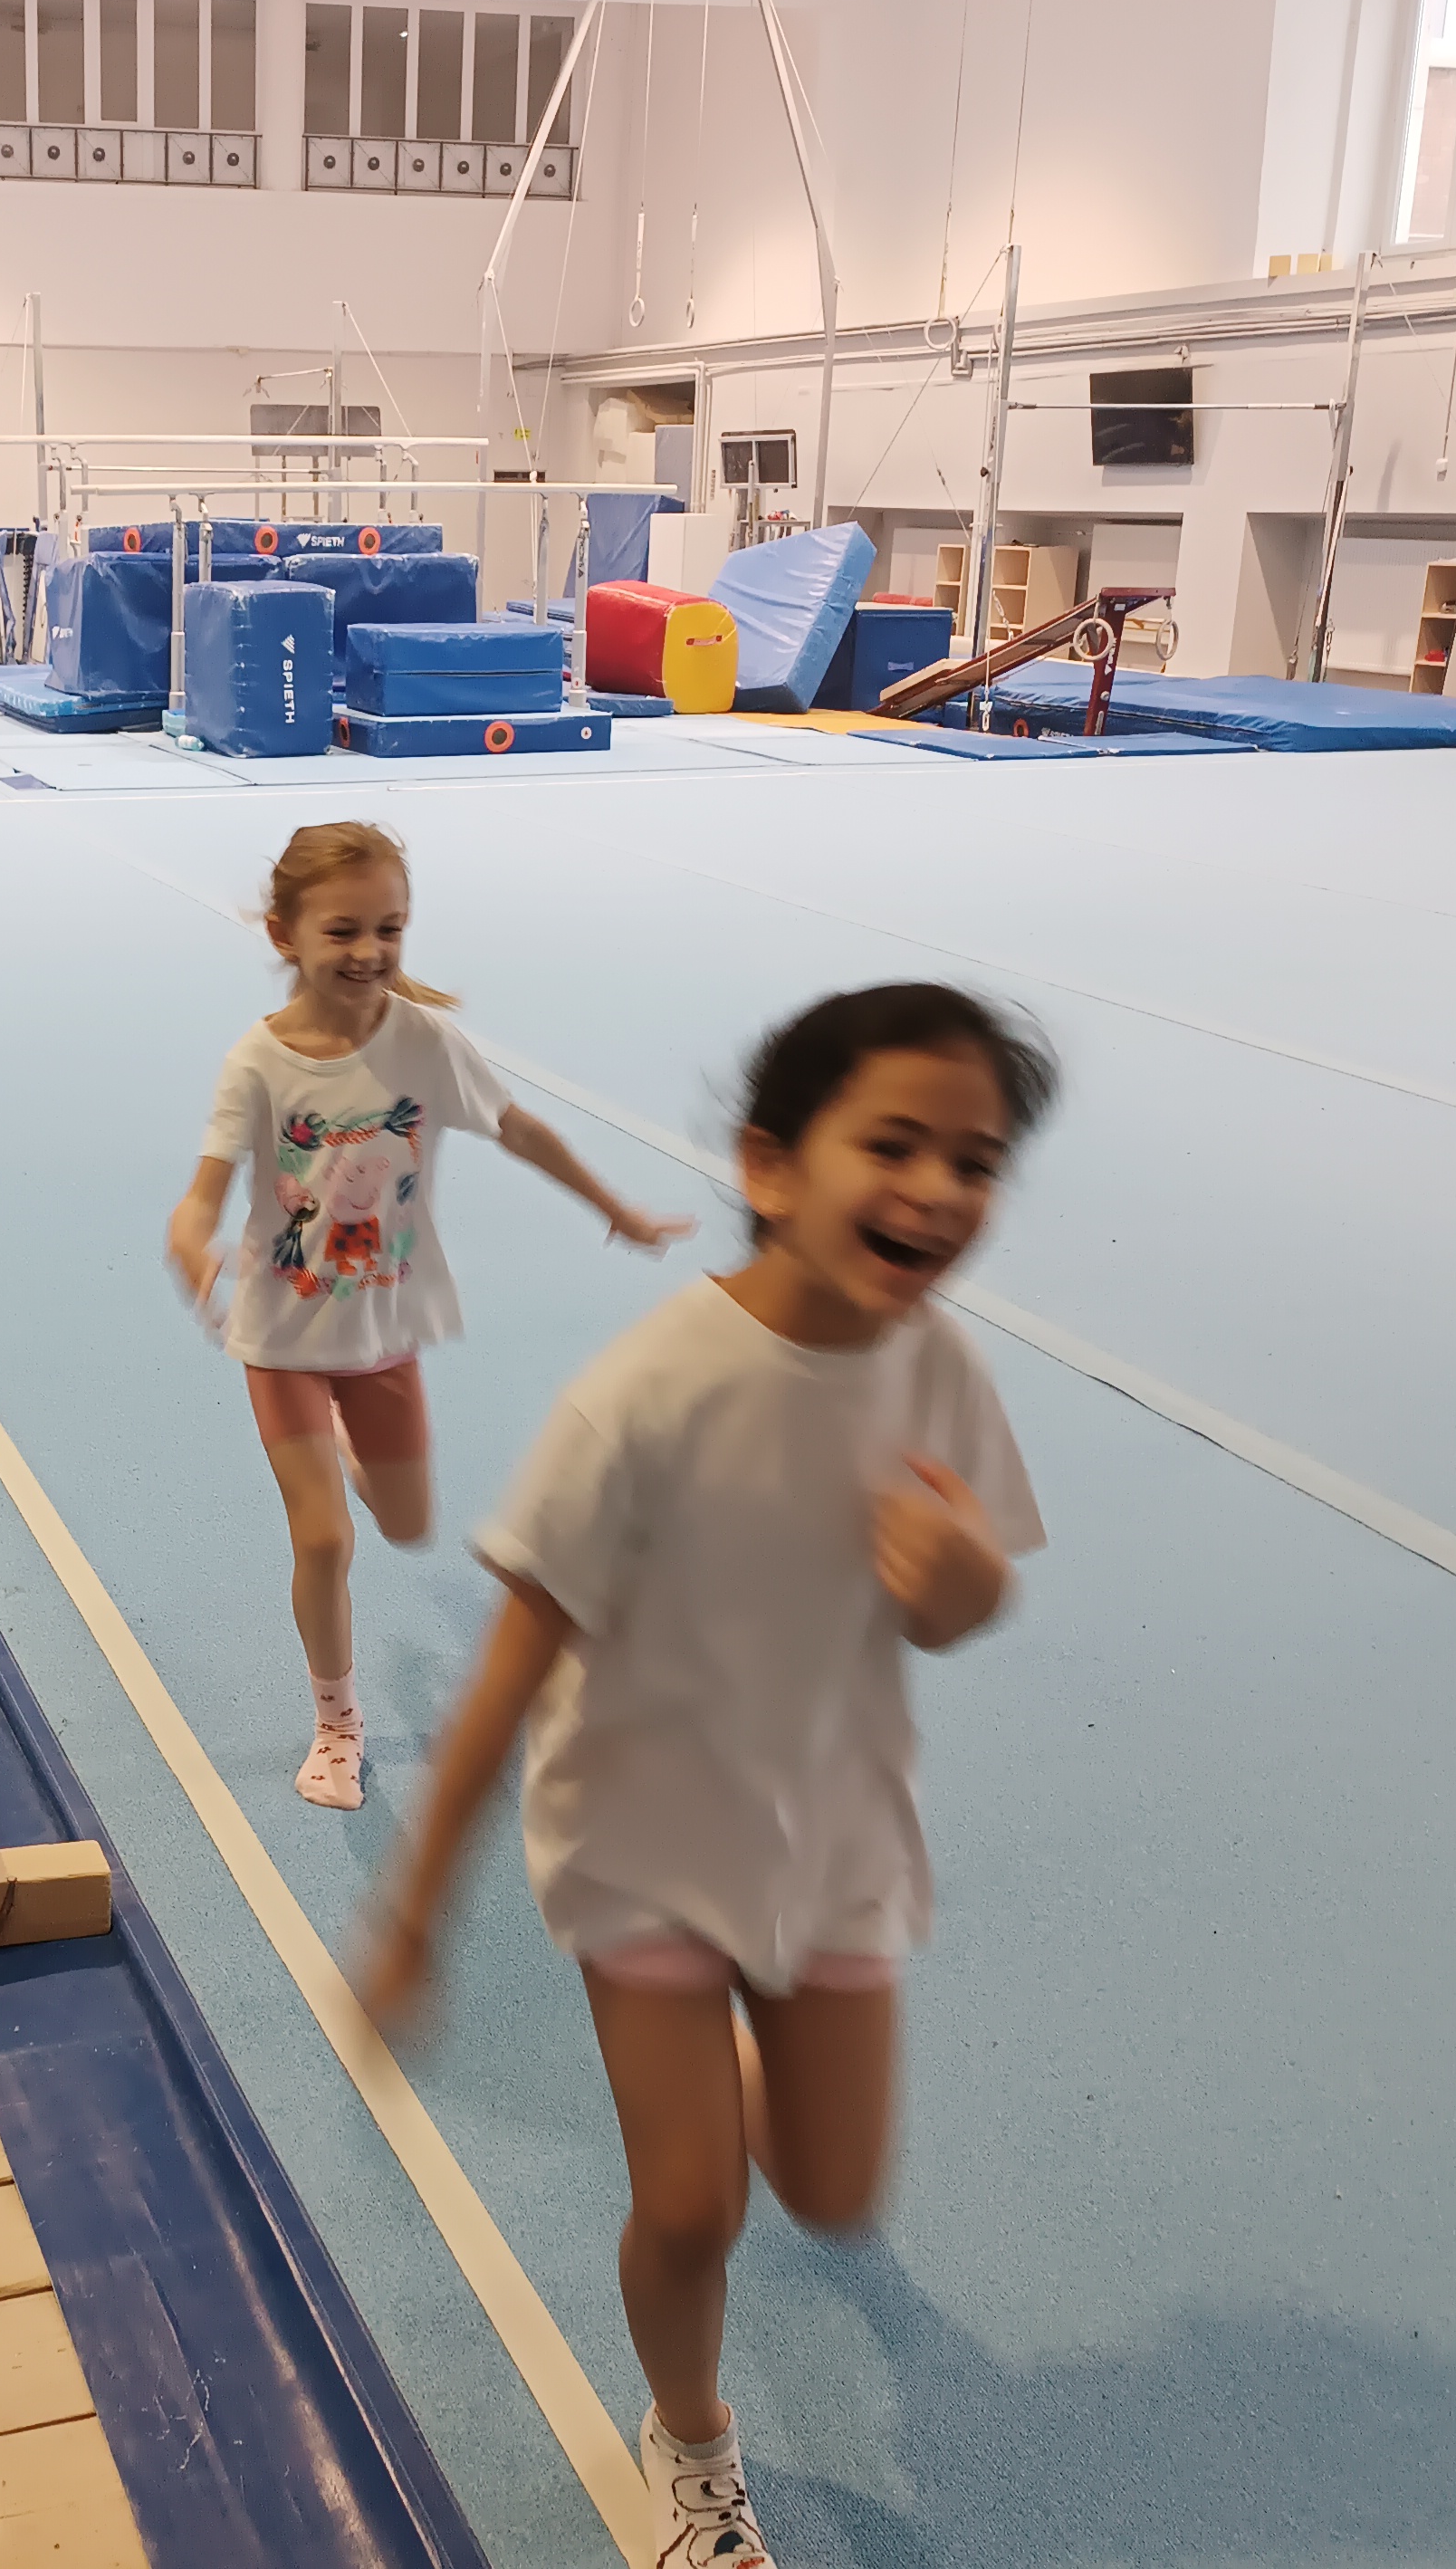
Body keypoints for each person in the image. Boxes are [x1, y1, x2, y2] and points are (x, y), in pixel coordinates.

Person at [360, 983, 1056, 2568]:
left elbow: (953, 1602)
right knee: (691, 2210)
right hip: (647, 1844)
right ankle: (690, 2446)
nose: (938, 1191)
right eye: (894, 1145)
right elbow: (509, 1673)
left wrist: (966, 1583)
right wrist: (415, 1911)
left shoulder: (939, 1371)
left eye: (975, 1163)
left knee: (832, 2193)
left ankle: (731, 2065)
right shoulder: (649, 1394)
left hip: (833, 1841)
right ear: (769, 1166)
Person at [165, 820, 691, 1810]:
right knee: (325, 1540)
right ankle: (337, 1722)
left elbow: (518, 1129)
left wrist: (611, 1205)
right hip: (283, 1337)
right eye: (342, 931)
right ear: (284, 935)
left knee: (407, 1526)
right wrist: (191, 1242)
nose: (369, 951)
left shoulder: (424, 1045)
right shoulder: (259, 1063)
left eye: (389, 928)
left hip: (381, 1333)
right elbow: (203, 1193)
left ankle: (352, 1449)